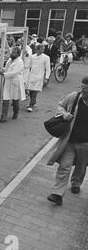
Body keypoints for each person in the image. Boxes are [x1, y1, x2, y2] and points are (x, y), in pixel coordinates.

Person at [47, 77, 88, 206]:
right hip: (69, 141)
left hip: (85, 144)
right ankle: (57, 194)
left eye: (86, 89)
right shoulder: (74, 97)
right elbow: (61, 105)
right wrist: (64, 114)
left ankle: (76, 183)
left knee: (81, 167)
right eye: (82, 87)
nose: (83, 91)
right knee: (64, 167)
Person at [0, 46, 26, 123]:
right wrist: (2, 69)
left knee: (15, 100)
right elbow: (7, 68)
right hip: (7, 82)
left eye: (14, 52)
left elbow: (13, 73)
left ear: (18, 54)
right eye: (12, 52)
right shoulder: (10, 60)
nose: (12, 53)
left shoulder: (20, 62)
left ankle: (16, 113)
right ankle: (3, 117)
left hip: (15, 82)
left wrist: (3, 73)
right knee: (5, 99)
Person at [25, 44, 51, 112]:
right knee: (30, 90)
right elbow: (29, 65)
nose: (42, 50)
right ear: (37, 49)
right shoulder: (32, 56)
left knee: (35, 91)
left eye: (43, 49)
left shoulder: (46, 57)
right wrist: (22, 66)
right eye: (41, 49)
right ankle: (33, 101)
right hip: (32, 75)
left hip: (39, 76)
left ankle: (31, 105)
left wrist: (46, 77)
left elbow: (48, 69)